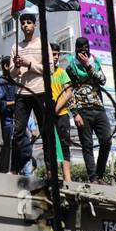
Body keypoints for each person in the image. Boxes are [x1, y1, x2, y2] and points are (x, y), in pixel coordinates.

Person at [8, 5, 50, 174]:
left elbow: (50, 69)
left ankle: (50, 168)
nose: (25, 25)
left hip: (40, 91)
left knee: (46, 131)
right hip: (22, 93)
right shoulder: (15, 47)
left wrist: (29, 64)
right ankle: (15, 168)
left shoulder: (42, 44)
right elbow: (12, 74)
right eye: (23, 23)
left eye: (28, 22)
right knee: (17, 132)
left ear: (34, 25)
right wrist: (17, 67)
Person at [66, 38, 113, 182]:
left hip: (98, 108)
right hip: (82, 110)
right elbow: (68, 92)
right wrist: (75, 113)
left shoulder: (95, 62)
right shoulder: (71, 67)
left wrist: (88, 66)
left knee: (106, 141)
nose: (83, 51)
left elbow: (102, 80)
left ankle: (99, 174)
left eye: (85, 48)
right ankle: (93, 178)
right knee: (87, 146)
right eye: (80, 48)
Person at [49, 43, 73, 184]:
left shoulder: (62, 73)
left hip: (62, 113)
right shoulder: (42, 73)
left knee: (65, 145)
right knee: (49, 146)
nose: (56, 57)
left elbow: (69, 93)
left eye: (57, 54)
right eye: (53, 54)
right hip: (47, 115)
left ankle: (67, 178)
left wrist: (56, 108)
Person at [0, 56, 20, 172]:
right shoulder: (1, 82)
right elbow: (0, 103)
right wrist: (16, 103)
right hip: (6, 122)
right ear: (6, 66)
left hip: (14, 121)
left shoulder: (14, 82)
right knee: (6, 150)